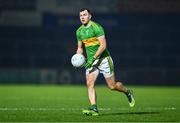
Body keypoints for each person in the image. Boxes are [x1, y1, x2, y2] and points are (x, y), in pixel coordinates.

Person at [75, 8, 135, 116]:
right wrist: (78, 58)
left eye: (84, 15)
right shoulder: (79, 31)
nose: (82, 17)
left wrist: (93, 59)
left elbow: (103, 46)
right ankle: (94, 109)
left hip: (104, 60)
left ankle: (127, 92)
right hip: (91, 61)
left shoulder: (97, 28)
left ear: (90, 16)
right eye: (80, 15)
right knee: (89, 83)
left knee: (112, 86)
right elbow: (80, 47)